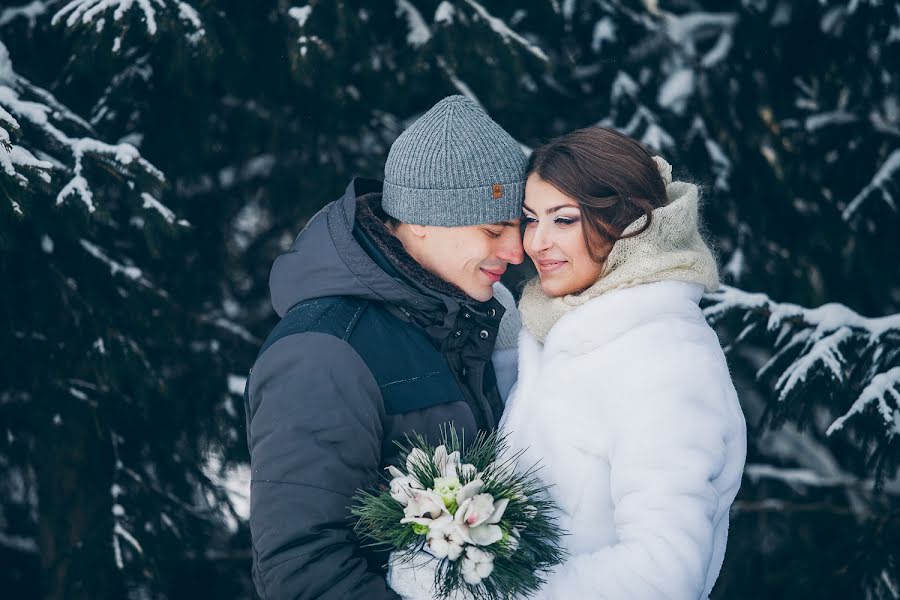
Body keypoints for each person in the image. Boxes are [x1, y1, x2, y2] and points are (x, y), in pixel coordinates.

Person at [244, 95, 526, 599]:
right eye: (494, 230)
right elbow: (301, 571)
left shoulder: (463, 319)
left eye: (518, 228)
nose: (516, 250)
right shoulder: (323, 352)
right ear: (422, 219)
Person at [499, 126, 747, 599]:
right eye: (531, 219)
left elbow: (662, 572)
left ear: (627, 221)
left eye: (565, 219)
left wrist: (496, 593)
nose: (536, 242)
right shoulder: (557, 329)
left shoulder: (663, 356)